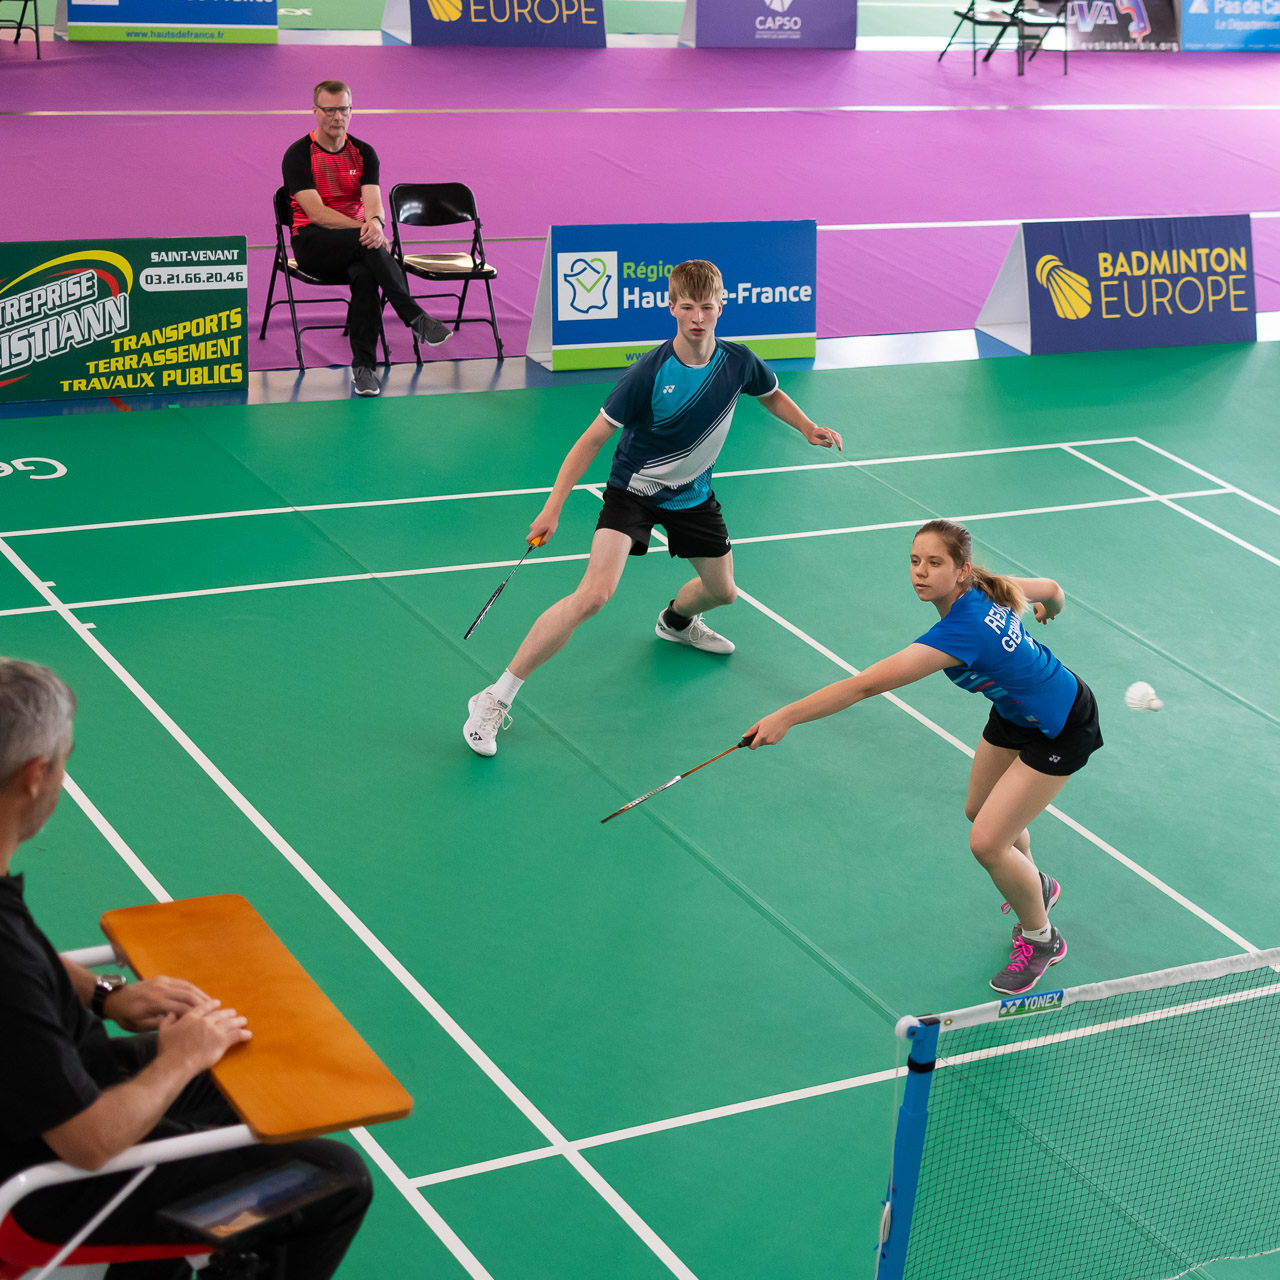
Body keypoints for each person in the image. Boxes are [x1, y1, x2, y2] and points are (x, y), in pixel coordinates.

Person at [0, 658, 372, 1279]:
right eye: (64, 763)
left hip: (66, 1083)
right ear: (35, 776)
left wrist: (107, 996)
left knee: (240, 1066)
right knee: (335, 1178)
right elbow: (89, 1143)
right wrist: (177, 1060)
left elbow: (31, 966)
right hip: (45, 1195)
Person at [463, 258, 843, 758]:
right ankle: (495, 696)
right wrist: (553, 508)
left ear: (721, 305)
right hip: (633, 493)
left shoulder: (738, 361)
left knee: (723, 592)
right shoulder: (649, 372)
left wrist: (807, 427)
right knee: (593, 596)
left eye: (706, 307)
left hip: (693, 495)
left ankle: (676, 622)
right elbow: (591, 440)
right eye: (687, 307)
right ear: (671, 307)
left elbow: (770, 395)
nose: (697, 318)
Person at [743, 518, 1103, 995]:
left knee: (987, 843)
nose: (920, 572)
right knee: (979, 809)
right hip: (1016, 712)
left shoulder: (961, 630)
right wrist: (1048, 608)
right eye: (915, 561)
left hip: (1062, 725)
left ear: (960, 570)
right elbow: (1052, 590)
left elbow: (864, 686)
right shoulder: (986, 586)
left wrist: (787, 716)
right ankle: (1035, 884)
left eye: (935, 563)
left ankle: (1042, 938)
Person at [282, 79, 451, 398]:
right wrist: (365, 230)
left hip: (359, 247)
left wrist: (374, 223)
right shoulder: (298, 154)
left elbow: (374, 205)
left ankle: (364, 369)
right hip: (312, 243)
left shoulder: (364, 153)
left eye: (343, 109)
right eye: (329, 110)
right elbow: (316, 214)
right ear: (315, 111)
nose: (337, 117)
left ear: (351, 110)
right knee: (368, 246)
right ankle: (414, 316)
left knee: (365, 275)